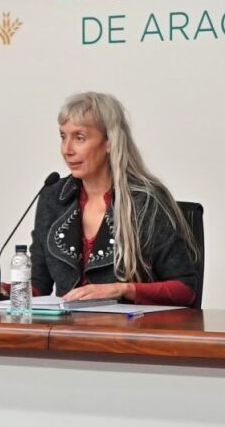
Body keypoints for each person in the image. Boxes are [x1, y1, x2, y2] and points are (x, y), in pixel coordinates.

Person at [29, 92, 199, 306]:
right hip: (67, 325)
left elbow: (185, 290)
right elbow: (38, 286)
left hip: (130, 326)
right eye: (63, 137)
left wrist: (122, 289)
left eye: (79, 138)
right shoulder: (53, 197)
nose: (66, 150)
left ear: (110, 142)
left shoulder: (145, 201)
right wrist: (3, 291)